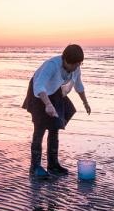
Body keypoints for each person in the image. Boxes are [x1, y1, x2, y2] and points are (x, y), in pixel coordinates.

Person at [22, 44, 91, 178]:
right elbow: (39, 85)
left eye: (78, 64)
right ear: (65, 60)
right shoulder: (52, 65)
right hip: (39, 92)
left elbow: (79, 85)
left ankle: (53, 165)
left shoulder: (76, 68)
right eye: (74, 64)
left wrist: (85, 103)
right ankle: (34, 167)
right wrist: (48, 104)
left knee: (55, 127)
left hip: (54, 91)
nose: (76, 67)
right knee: (40, 128)